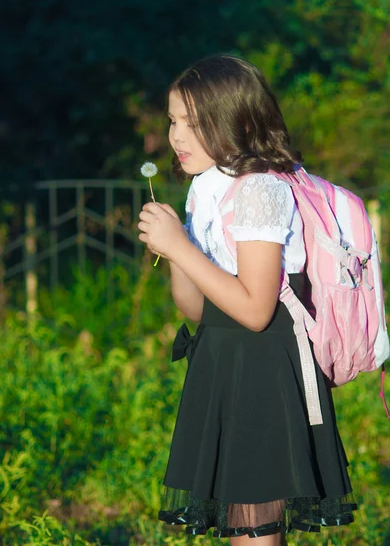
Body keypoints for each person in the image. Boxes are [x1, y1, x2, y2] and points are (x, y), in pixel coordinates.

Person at [137, 54, 357, 545]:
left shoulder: (261, 189)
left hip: (264, 366)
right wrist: (174, 251)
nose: (176, 137)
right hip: (222, 361)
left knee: (255, 530)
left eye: (193, 124)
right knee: (241, 527)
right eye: (173, 121)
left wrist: (179, 246)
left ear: (233, 122)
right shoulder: (204, 189)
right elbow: (198, 311)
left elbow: (256, 310)